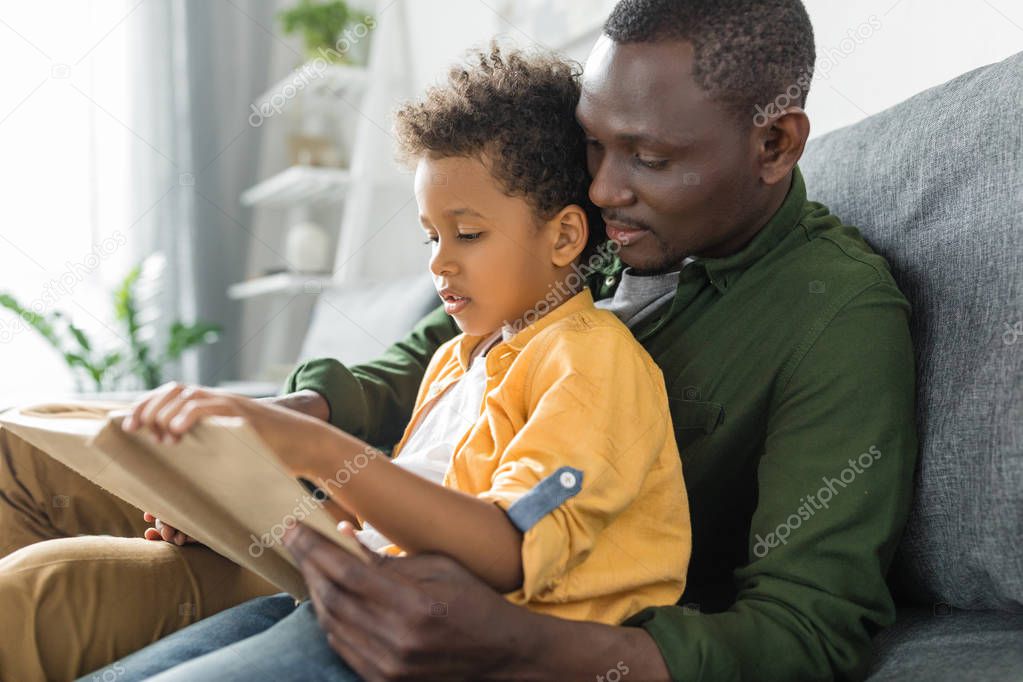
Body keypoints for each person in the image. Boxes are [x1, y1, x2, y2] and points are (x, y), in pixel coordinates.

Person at [3, 0, 917, 680]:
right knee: (21, 451)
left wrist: (531, 645)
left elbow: (807, 629)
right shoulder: (587, 243)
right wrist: (256, 450)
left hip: (494, 595)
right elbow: (427, 367)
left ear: (775, 144)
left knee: (49, 596)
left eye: (648, 157)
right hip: (361, 537)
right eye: (593, 147)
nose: (599, 191)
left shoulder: (833, 316)